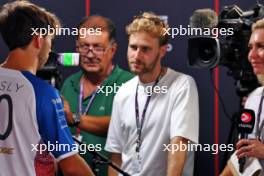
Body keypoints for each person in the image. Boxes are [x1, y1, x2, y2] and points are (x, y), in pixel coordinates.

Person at [0, 1, 94, 176]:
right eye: (51, 39)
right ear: (38, 40)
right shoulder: (42, 93)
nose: (50, 48)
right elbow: (71, 166)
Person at [105, 12, 199, 176]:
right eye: (133, 47)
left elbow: (178, 145)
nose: (137, 55)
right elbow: (116, 156)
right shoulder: (123, 92)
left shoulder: (182, 85)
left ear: (162, 51)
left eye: (145, 49)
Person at [61, 15, 134, 175]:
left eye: (98, 47)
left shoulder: (130, 83)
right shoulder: (69, 83)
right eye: (84, 46)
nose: (90, 54)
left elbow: (122, 125)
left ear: (113, 49)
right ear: (77, 48)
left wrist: (74, 118)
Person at [220, 18, 264, 176]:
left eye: (261, 47)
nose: (251, 55)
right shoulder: (253, 98)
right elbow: (242, 155)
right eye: (250, 47)